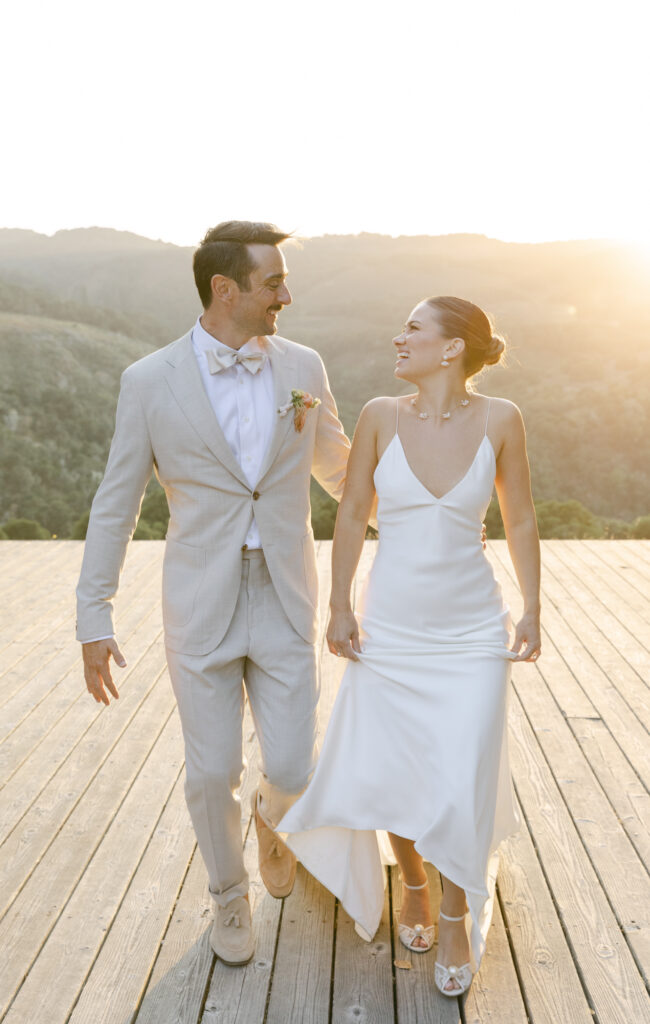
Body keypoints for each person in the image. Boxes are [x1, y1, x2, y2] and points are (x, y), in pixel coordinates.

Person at [76, 221, 353, 966]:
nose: (285, 297)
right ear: (225, 289)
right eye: (273, 284)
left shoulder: (304, 366)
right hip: (201, 600)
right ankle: (229, 896)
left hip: (287, 594)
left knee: (294, 769)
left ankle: (272, 816)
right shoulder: (148, 381)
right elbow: (117, 504)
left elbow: (339, 471)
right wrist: (92, 616)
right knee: (209, 771)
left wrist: (428, 515)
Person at [277, 295, 541, 998]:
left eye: (415, 329)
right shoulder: (377, 417)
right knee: (395, 765)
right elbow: (353, 513)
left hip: (472, 629)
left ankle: (457, 912)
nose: (400, 338)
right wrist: (337, 605)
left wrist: (533, 606)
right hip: (389, 626)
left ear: (452, 348)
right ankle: (417, 884)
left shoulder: (503, 420)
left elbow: (518, 519)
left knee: (463, 767)